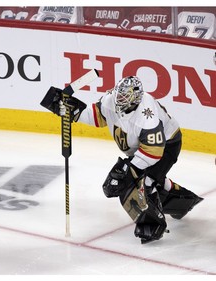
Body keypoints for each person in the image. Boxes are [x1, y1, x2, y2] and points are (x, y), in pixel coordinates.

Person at [41, 75, 203, 244]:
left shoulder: (147, 117)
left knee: (143, 182)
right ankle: (183, 202)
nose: (119, 100)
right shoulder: (111, 100)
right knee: (142, 180)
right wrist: (74, 111)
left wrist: (129, 169)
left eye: (124, 97)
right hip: (143, 148)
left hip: (166, 145)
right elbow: (97, 116)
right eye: (119, 94)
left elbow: (154, 151)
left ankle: (153, 226)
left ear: (136, 99)